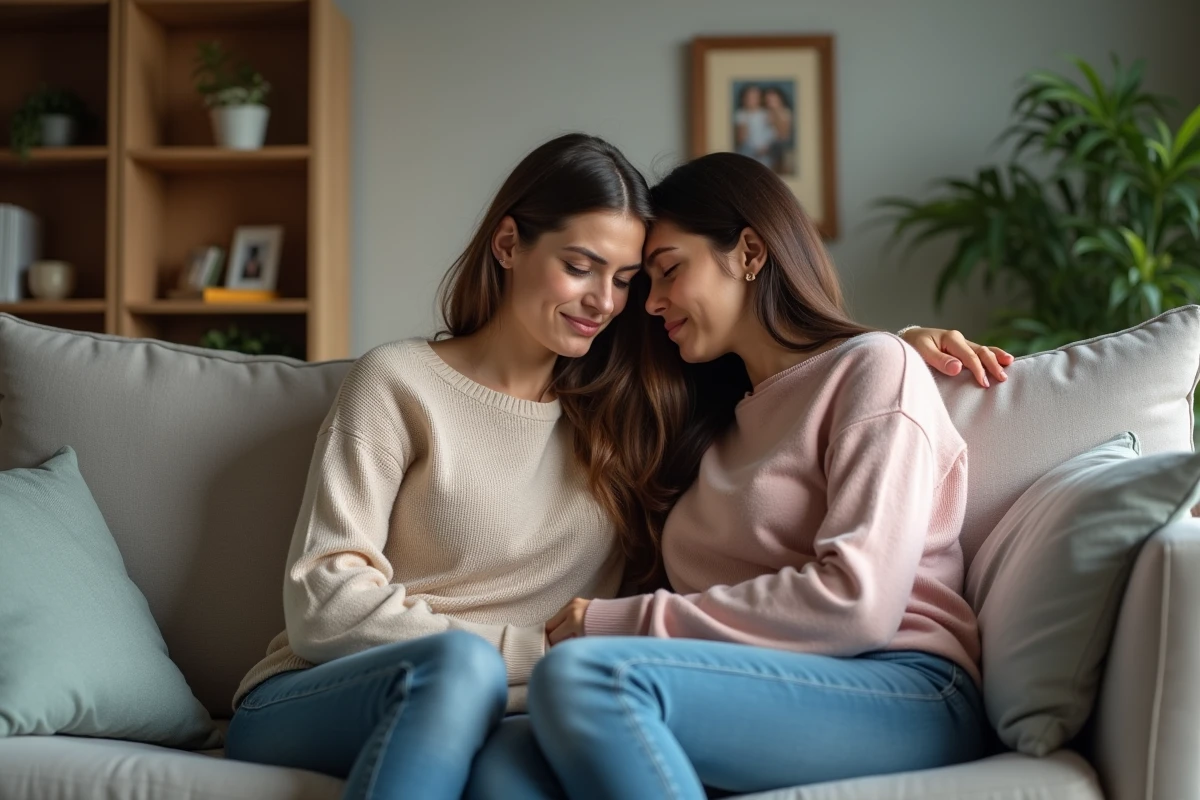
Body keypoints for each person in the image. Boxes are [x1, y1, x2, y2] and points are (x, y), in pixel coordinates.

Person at [223, 133, 1008, 800]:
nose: (612, 300)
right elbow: (322, 600)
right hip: (348, 684)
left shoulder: (626, 414)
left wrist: (892, 350)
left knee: (507, 768)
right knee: (470, 691)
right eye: (581, 266)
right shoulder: (399, 382)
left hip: (548, 700)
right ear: (508, 245)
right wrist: (539, 652)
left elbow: (818, 395)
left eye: (635, 278)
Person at [501, 151, 1008, 800]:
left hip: (904, 684)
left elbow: (858, 601)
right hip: (754, 682)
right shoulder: (712, 422)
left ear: (748, 252)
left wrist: (621, 621)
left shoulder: (874, 368)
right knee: (508, 756)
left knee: (586, 678)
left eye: (668, 271)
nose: (650, 303)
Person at [733, 84, 775, 168]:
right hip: (747, 150)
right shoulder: (740, 114)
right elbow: (741, 138)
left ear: (760, 99)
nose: (751, 100)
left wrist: (765, 147)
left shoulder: (765, 113)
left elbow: (771, 133)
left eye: (754, 97)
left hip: (765, 149)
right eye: (748, 97)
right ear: (743, 99)